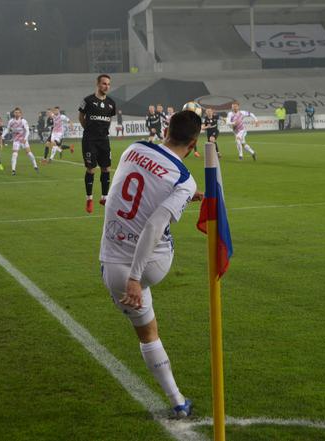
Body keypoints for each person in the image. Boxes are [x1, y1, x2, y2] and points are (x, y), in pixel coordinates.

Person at [99, 110, 203, 419]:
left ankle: (178, 401)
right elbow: (154, 225)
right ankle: (178, 402)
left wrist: (130, 277)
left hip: (113, 264)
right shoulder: (183, 178)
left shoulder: (134, 148)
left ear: (167, 129)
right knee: (160, 228)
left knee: (147, 333)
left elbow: (123, 188)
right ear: (194, 142)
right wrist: (136, 277)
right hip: (151, 264)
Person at [79, 74, 116, 214]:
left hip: (104, 140)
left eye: (108, 84)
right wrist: (88, 130)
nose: (106, 86)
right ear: (98, 84)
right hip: (89, 140)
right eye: (104, 83)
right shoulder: (87, 100)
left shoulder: (111, 103)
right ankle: (89, 198)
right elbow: (81, 116)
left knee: (106, 168)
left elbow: (109, 119)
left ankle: (104, 197)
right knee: (91, 169)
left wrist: (103, 131)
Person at [4, 107, 39, 176]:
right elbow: (7, 129)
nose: (17, 114)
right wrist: (2, 135)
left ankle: (35, 166)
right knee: (14, 154)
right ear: (14, 113)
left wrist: (25, 138)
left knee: (29, 153)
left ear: (20, 113)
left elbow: (27, 130)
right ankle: (13, 170)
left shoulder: (23, 121)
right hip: (16, 140)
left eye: (18, 112)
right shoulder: (11, 121)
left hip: (23, 140)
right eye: (16, 112)